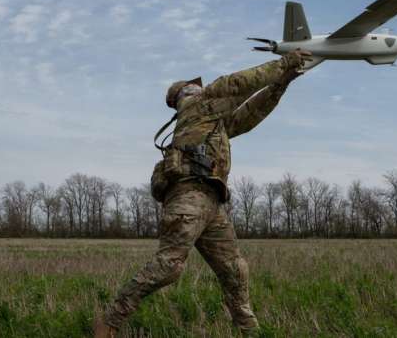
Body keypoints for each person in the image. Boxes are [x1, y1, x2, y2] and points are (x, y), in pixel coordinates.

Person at [95, 49, 312, 337]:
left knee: (235, 270)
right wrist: (284, 63)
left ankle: (249, 330)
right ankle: (109, 321)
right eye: (194, 86)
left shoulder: (212, 120)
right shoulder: (199, 107)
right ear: (185, 94)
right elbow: (237, 84)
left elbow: (252, 112)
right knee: (169, 266)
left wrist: (283, 81)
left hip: (212, 201)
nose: (200, 86)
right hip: (188, 195)